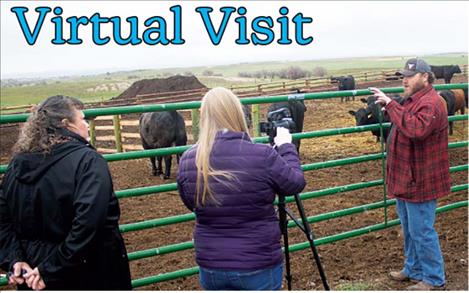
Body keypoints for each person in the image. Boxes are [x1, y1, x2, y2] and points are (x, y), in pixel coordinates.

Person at [176, 87, 306, 290]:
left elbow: (190, 202)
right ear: (237, 113)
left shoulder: (188, 159)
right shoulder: (262, 155)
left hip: (212, 265)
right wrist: (286, 147)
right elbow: (294, 183)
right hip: (257, 261)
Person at [0, 95, 132, 290]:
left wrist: (15, 259)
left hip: (32, 275)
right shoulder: (88, 162)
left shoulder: (17, 164)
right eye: (82, 119)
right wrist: (51, 269)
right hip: (87, 272)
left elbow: (3, 218)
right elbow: (90, 223)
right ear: (66, 124)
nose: (86, 125)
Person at [371, 58, 450, 290]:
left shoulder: (432, 103)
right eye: (403, 75)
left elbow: (416, 129)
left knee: (422, 231)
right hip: (407, 178)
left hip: (421, 180)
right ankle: (413, 269)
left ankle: (434, 279)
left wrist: (390, 104)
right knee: (409, 228)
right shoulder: (413, 100)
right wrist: (390, 105)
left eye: (410, 76)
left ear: (425, 77)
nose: (404, 79)